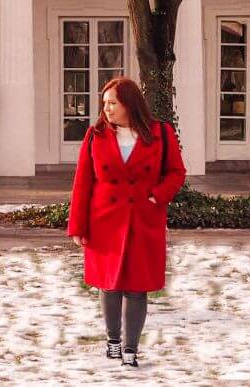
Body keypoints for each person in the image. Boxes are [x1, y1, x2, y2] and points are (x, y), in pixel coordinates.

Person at [67, 76, 187, 368]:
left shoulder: (160, 133)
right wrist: (77, 226)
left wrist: (156, 198)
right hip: (104, 221)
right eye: (104, 103)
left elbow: (176, 173)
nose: (106, 109)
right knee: (108, 285)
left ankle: (131, 349)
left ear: (129, 104)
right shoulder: (96, 134)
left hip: (143, 221)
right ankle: (113, 342)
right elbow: (82, 182)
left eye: (112, 103)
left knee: (137, 287)